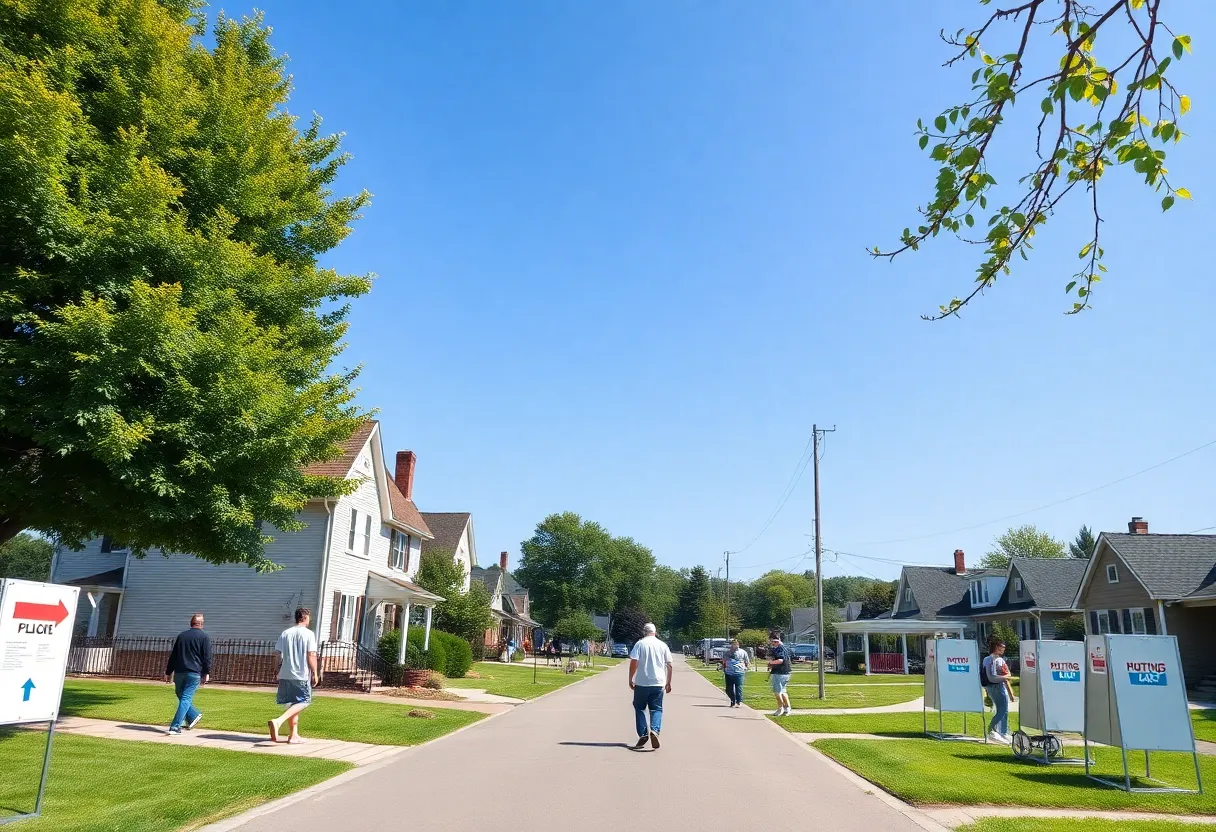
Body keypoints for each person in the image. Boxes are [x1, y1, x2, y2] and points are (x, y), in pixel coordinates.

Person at [269, 607, 318, 744]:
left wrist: (275, 669)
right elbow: (311, 654)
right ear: (305, 617)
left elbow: (277, 654)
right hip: (301, 674)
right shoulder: (309, 634)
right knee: (304, 701)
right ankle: (278, 721)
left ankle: (293, 735)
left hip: (285, 673)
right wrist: (315, 672)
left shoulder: (286, 633)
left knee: (292, 704)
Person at [164, 613, 212, 735]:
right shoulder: (204, 637)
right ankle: (179, 724)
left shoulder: (182, 636)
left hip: (180, 672)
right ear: (201, 623)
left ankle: (188, 718)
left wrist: (168, 672)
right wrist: (206, 672)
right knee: (184, 698)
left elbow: (174, 655)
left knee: (182, 696)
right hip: (194, 673)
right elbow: (207, 657)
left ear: (191, 623)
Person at [628, 623, 673, 750]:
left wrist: (631, 678)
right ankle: (655, 730)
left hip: (642, 682)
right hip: (658, 682)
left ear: (644, 632)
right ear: (655, 632)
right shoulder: (662, 645)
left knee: (639, 708)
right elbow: (669, 664)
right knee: (656, 709)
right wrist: (668, 682)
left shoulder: (640, 644)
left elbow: (634, 661)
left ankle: (643, 734)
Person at [983, 638, 1016, 743]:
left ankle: (1003, 732)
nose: (1003, 650)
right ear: (996, 647)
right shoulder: (989, 659)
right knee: (1002, 710)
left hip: (999, 686)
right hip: (995, 687)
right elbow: (991, 677)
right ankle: (991, 730)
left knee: (1004, 711)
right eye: (1001, 647)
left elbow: (1006, 673)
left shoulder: (1000, 660)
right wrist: (1005, 677)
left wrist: (1006, 678)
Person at [767, 631, 792, 717]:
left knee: (777, 692)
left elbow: (780, 660)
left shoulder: (779, 649)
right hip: (785, 672)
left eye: (773, 641)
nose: (772, 643)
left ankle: (780, 708)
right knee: (783, 691)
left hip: (779, 673)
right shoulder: (785, 648)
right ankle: (787, 708)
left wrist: (771, 662)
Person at [723, 638, 749, 708]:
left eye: (736, 644)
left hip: (739, 672)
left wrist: (745, 668)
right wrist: (724, 668)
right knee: (728, 689)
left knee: (738, 687)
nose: (735, 645)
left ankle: (738, 701)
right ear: (731, 645)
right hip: (729, 672)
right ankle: (732, 699)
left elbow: (746, 661)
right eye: (733, 644)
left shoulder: (743, 652)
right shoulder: (727, 652)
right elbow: (724, 661)